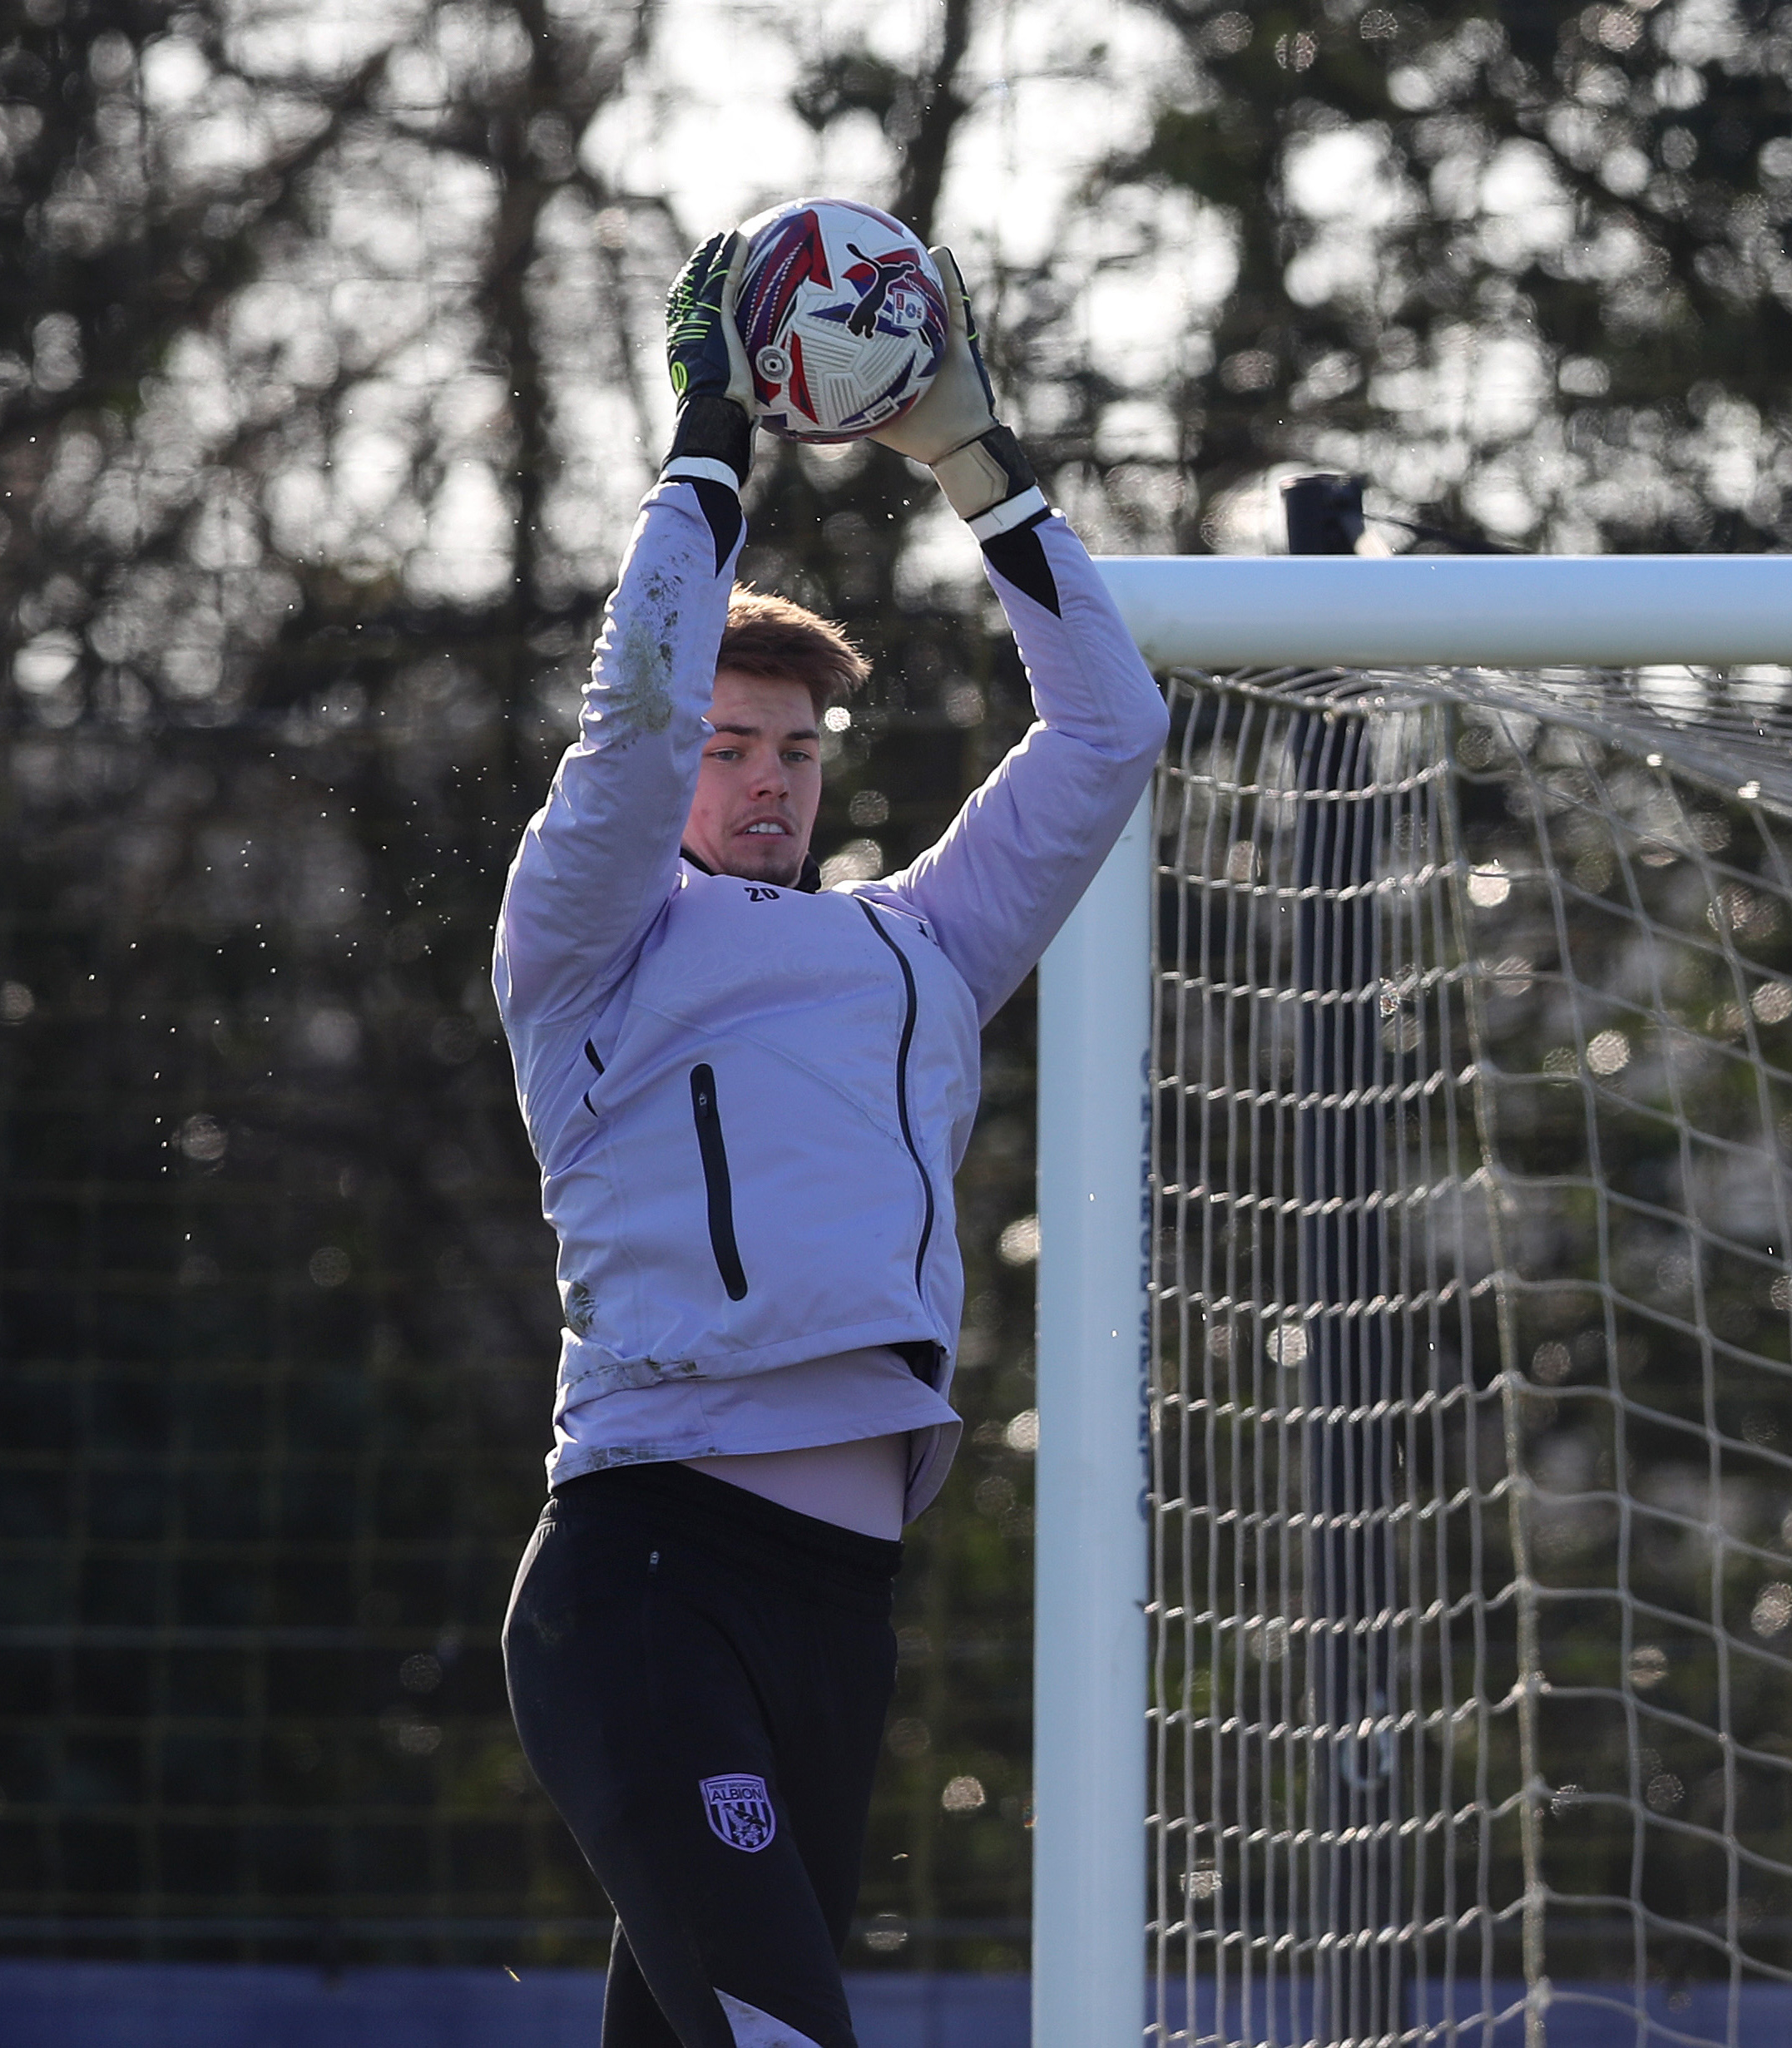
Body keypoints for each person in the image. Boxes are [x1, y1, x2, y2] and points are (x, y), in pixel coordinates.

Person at [491, 221, 1167, 2048]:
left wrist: (976, 463)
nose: (765, 774)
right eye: (731, 744)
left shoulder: (919, 946)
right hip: (649, 1578)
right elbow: (623, 727)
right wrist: (707, 440)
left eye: (792, 748)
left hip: (840, 1609)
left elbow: (1111, 733)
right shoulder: (590, 939)